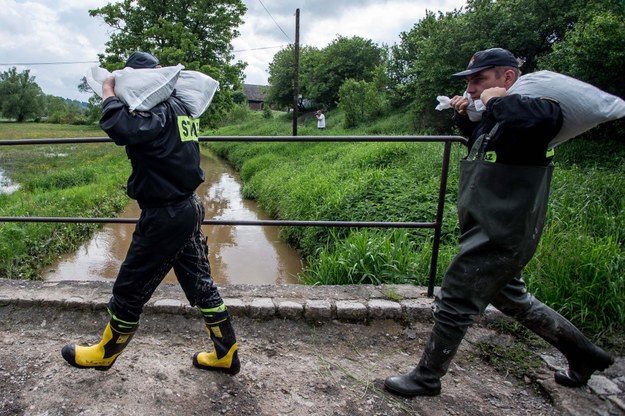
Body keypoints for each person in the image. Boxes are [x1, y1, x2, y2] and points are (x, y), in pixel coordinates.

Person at [384, 48, 614, 397]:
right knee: (513, 299)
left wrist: (495, 101)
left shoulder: (538, 107)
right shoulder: (503, 113)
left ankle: (427, 377)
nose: (473, 88)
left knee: (456, 297)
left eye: (480, 80)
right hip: (489, 223)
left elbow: (530, 122)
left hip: (503, 229)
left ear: (507, 77)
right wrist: (467, 117)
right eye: (471, 82)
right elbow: (485, 143)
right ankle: (584, 354)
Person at [61, 52, 240, 375]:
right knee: (201, 285)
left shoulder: (156, 110)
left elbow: (120, 127)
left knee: (130, 287)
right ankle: (225, 354)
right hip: (186, 207)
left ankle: (105, 353)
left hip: (165, 215)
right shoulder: (182, 106)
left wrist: (108, 93)